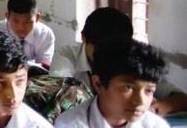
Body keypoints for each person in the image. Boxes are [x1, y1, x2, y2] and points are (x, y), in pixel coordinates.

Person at [50, 7, 187, 116]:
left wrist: (162, 106)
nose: (107, 56)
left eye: (114, 50)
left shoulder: (130, 60)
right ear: (84, 38)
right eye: (100, 49)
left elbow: (180, 98)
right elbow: (62, 94)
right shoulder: (66, 57)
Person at [0, 0, 55, 67]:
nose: (21, 27)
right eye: (15, 21)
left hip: (32, 73)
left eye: (27, 22)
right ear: (7, 17)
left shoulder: (45, 34)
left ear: (37, 18)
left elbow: (44, 67)